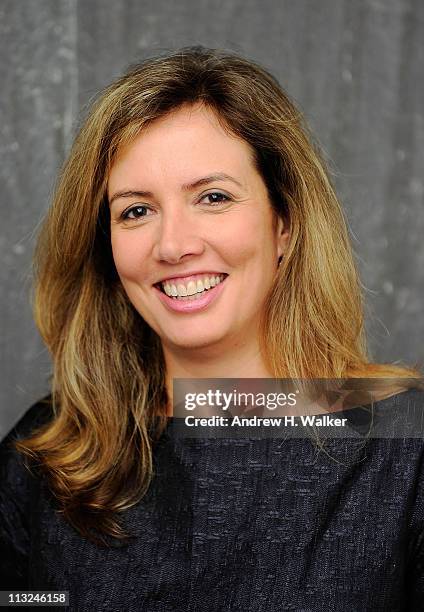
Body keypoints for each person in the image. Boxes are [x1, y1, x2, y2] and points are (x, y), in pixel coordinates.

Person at [0, 45, 423, 610]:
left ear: (285, 226)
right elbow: (24, 602)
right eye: (135, 210)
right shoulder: (48, 452)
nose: (174, 245)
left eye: (214, 197)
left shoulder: (406, 450)